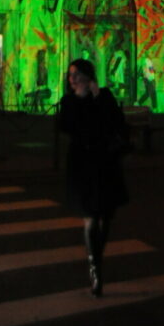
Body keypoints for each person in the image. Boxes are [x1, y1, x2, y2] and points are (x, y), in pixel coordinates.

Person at [59, 58, 128, 297]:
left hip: (105, 161)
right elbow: (66, 126)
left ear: (88, 75)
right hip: (82, 163)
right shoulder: (68, 101)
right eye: (70, 75)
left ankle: (98, 256)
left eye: (77, 74)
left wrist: (98, 99)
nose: (73, 78)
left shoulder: (104, 96)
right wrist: (81, 103)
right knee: (90, 219)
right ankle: (95, 267)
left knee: (105, 217)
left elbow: (116, 122)